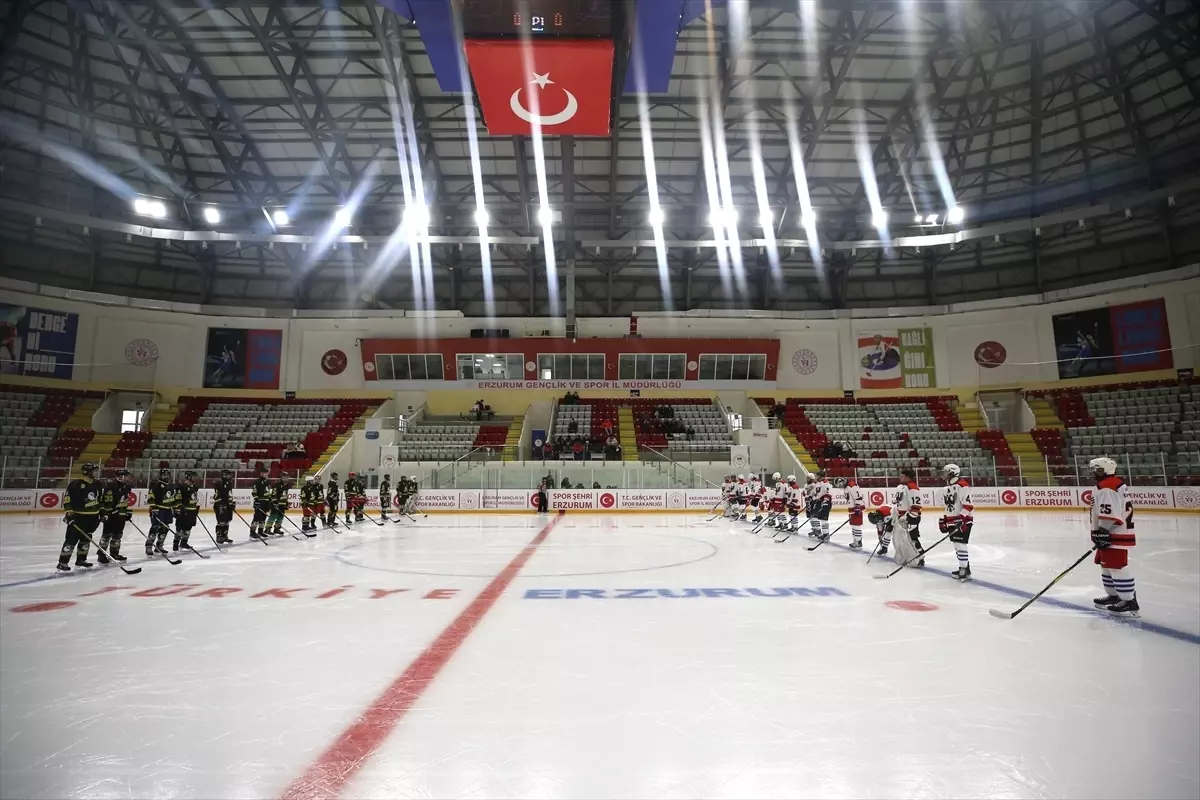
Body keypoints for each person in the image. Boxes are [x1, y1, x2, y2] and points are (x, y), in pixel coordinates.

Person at [1088, 457, 1138, 616]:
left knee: (1117, 567)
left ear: (1104, 470)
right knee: (1107, 566)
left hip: (1114, 534)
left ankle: (1129, 601)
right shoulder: (1111, 484)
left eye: (1096, 469)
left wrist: (1102, 532)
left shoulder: (1108, 487)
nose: (1093, 472)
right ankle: (1114, 597)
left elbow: (1109, 514)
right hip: (1110, 533)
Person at [57, 462, 102, 571]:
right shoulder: (76, 484)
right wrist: (69, 513)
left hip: (93, 517)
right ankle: (63, 562)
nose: (96, 473)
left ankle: (81, 559)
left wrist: (102, 513)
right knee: (71, 539)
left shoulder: (98, 484)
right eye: (94, 471)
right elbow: (67, 500)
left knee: (86, 539)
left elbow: (100, 499)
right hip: (79, 517)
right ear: (87, 472)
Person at [939, 464, 975, 580]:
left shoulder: (962, 486)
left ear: (953, 473)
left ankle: (963, 569)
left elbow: (969, 506)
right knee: (957, 545)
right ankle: (965, 568)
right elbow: (949, 507)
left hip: (963, 521)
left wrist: (961, 518)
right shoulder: (946, 489)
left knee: (960, 544)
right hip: (952, 521)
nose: (944, 474)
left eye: (946, 472)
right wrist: (944, 519)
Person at [97, 467, 133, 563]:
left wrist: (126, 512)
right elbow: (108, 502)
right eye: (127, 476)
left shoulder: (126, 486)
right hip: (111, 515)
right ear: (121, 476)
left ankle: (114, 553)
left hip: (121, 515)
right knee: (106, 535)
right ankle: (101, 554)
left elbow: (124, 501)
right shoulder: (111, 486)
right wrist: (106, 513)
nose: (129, 478)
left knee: (118, 535)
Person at [890, 467, 924, 566]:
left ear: (908, 477)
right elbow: (899, 503)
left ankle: (920, 557)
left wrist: (910, 517)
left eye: (902, 476)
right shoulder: (901, 487)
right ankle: (907, 557)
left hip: (909, 517)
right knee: (902, 539)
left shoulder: (912, 487)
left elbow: (916, 505)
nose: (900, 477)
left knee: (911, 538)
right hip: (901, 517)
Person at [146, 466, 178, 554]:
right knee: (155, 527)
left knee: (165, 528)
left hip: (168, 510)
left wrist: (175, 508)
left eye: (168, 474)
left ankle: (159, 545)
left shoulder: (171, 486)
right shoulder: (155, 485)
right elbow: (151, 497)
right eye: (164, 474)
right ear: (160, 475)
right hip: (158, 509)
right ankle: (149, 546)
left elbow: (173, 498)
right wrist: (153, 508)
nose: (166, 476)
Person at [173, 471, 200, 551]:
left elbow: (193, 498)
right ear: (188, 477)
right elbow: (177, 498)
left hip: (192, 510)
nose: (194, 478)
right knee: (180, 528)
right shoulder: (182, 487)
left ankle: (184, 543)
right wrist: (178, 507)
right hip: (184, 511)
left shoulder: (194, 487)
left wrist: (196, 507)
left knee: (188, 528)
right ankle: (176, 543)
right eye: (193, 477)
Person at [249, 465, 272, 540]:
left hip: (266, 502)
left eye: (267, 473)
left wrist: (270, 500)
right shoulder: (257, 481)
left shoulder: (267, 481)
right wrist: (256, 500)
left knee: (263, 517)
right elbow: (254, 491)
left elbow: (268, 492)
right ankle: (252, 532)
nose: (267, 474)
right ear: (261, 473)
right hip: (260, 501)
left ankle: (260, 531)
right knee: (256, 517)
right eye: (265, 473)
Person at [212, 469, 235, 544]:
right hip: (220, 505)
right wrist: (221, 504)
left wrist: (231, 503)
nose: (229, 476)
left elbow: (230, 494)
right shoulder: (218, 483)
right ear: (223, 475)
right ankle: (219, 536)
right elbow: (216, 496)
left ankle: (225, 536)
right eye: (228, 475)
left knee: (227, 521)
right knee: (221, 521)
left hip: (228, 505)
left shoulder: (230, 483)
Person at [844, 477, 867, 549]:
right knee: (853, 525)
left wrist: (857, 506)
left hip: (857, 508)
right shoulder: (846, 487)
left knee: (856, 525)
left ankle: (858, 542)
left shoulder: (852, 485)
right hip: (852, 509)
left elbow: (858, 497)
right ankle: (856, 540)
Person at [810, 470, 834, 540]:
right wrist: (813, 499)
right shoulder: (818, 483)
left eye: (817, 475)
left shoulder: (826, 483)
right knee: (819, 517)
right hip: (819, 502)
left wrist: (825, 501)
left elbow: (828, 493)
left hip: (825, 502)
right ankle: (821, 532)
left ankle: (826, 534)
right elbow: (816, 493)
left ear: (820, 476)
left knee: (823, 519)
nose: (816, 477)